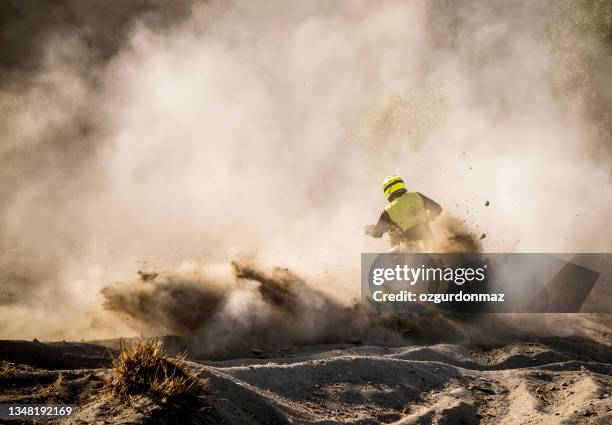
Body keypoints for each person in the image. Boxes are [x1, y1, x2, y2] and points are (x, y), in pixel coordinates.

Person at [364, 175, 442, 252]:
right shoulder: (417, 195)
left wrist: (369, 231)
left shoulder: (389, 209)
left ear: (387, 190)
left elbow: (377, 233)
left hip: (412, 249)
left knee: (393, 236)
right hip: (430, 242)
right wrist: (427, 218)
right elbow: (438, 209)